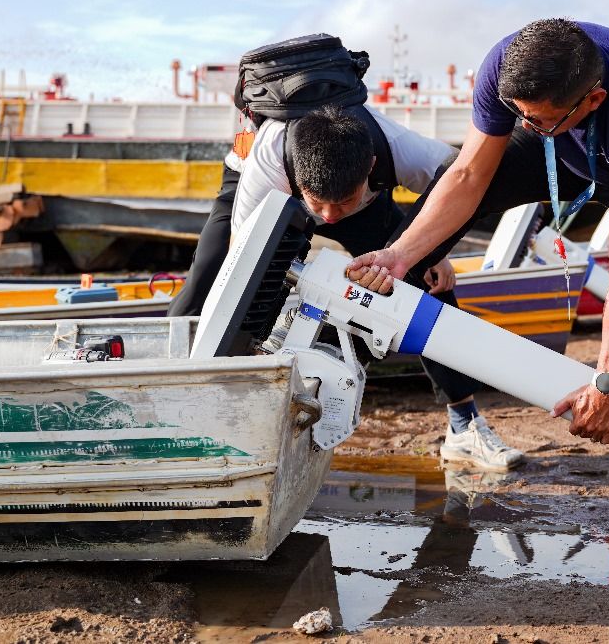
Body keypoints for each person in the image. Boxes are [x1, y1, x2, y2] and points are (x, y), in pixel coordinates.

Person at [346, 19, 609, 551]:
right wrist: (402, 254)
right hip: (561, 150)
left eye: (537, 117)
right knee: (419, 227)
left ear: (591, 98)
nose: (524, 121)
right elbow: (466, 177)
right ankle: (458, 408)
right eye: (519, 113)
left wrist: (607, 384)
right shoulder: (508, 68)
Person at [172, 104, 526, 472]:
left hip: (364, 207)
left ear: (371, 166)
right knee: (206, 279)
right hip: (264, 188)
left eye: (341, 203)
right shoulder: (267, 168)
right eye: (319, 204)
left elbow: (462, 182)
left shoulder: (402, 149)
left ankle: (464, 426)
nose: (328, 216)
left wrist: (431, 247)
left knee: (426, 283)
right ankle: (176, 398)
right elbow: (241, 269)